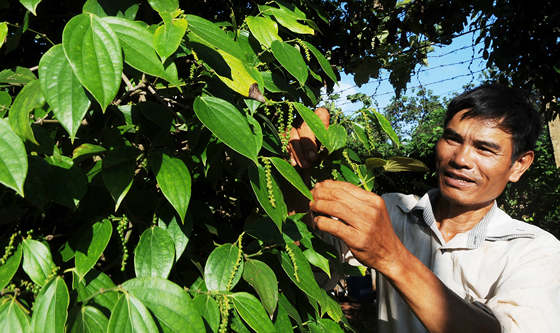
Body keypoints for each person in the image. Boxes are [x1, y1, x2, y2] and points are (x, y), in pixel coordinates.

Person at [288, 84, 560, 333]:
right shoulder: (393, 211)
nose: (461, 159)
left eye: (485, 149)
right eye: (453, 139)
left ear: (519, 165)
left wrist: (391, 256)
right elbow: (309, 268)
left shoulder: (537, 252)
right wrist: (297, 175)